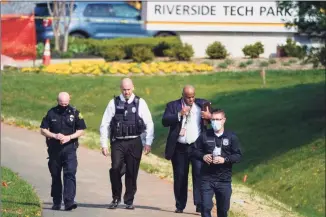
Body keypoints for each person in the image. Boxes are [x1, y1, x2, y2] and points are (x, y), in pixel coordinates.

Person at [99, 77, 154, 210]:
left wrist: (148, 142)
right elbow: (104, 124)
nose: (126, 92)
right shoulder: (113, 103)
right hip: (118, 142)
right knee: (115, 168)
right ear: (120, 89)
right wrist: (104, 144)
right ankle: (115, 197)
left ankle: (129, 200)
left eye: (128, 89)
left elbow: (149, 123)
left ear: (133, 87)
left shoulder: (140, 102)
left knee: (132, 172)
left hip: (135, 141)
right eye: (124, 89)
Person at [161, 85, 212, 213]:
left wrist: (209, 116)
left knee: (199, 175)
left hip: (197, 147)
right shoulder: (173, 106)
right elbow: (165, 121)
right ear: (183, 95)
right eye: (188, 97)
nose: (191, 99)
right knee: (180, 177)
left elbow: (216, 117)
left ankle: (199, 204)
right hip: (180, 148)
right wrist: (179, 114)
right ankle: (180, 205)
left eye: (193, 96)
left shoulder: (202, 104)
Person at [40, 92, 86, 211]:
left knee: (70, 173)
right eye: (61, 104)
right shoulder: (51, 112)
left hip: (70, 148)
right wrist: (55, 135)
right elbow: (43, 129)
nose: (64, 106)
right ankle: (56, 201)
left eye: (66, 104)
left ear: (69, 100)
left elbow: (81, 130)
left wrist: (69, 137)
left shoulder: (75, 113)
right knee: (55, 175)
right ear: (57, 101)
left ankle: (69, 201)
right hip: (54, 150)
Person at [193, 108, 242, 217]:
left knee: (223, 210)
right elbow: (194, 150)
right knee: (205, 207)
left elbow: (238, 156)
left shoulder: (231, 137)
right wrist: (203, 156)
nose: (215, 122)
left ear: (224, 120)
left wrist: (225, 160)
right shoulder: (205, 135)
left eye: (218, 119)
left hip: (224, 179)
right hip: (207, 178)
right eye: (213, 119)